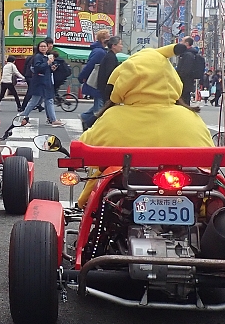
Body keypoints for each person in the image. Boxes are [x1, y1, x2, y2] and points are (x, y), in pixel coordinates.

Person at [76, 44, 214, 207]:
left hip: (125, 192)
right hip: (189, 190)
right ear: (171, 79)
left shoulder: (112, 117)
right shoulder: (190, 117)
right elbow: (208, 157)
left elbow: (85, 146)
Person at [16, 40, 63, 127]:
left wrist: (52, 67)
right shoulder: (38, 56)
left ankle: (53, 120)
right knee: (36, 101)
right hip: (40, 82)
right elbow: (37, 68)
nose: (43, 48)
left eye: (44, 46)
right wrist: (48, 63)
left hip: (45, 82)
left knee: (48, 100)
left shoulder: (46, 57)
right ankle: (23, 116)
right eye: (41, 46)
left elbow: (46, 69)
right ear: (38, 48)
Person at [78, 29, 109, 131]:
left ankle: (85, 117)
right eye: (108, 37)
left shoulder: (100, 50)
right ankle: (96, 128)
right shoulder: (100, 52)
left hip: (97, 82)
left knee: (99, 104)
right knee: (99, 107)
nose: (110, 39)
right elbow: (90, 66)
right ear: (103, 39)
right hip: (96, 83)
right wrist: (81, 77)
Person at [175, 36, 201, 105]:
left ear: (186, 43)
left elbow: (185, 70)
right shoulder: (190, 54)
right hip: (187, 83)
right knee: (185, 101)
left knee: (183, 102)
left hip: (184, 83)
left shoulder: (188, 55)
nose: (180, 43)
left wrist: (178, 78)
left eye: (182, 41)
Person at [96, 36, 123, 102]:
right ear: (114, 46)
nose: (122, 46)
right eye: (120, 44)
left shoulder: (110, 56)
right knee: (102, 109)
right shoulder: (110, 57)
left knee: (98, 109)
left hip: (104, 88)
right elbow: (110, 74)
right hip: (106, 89)